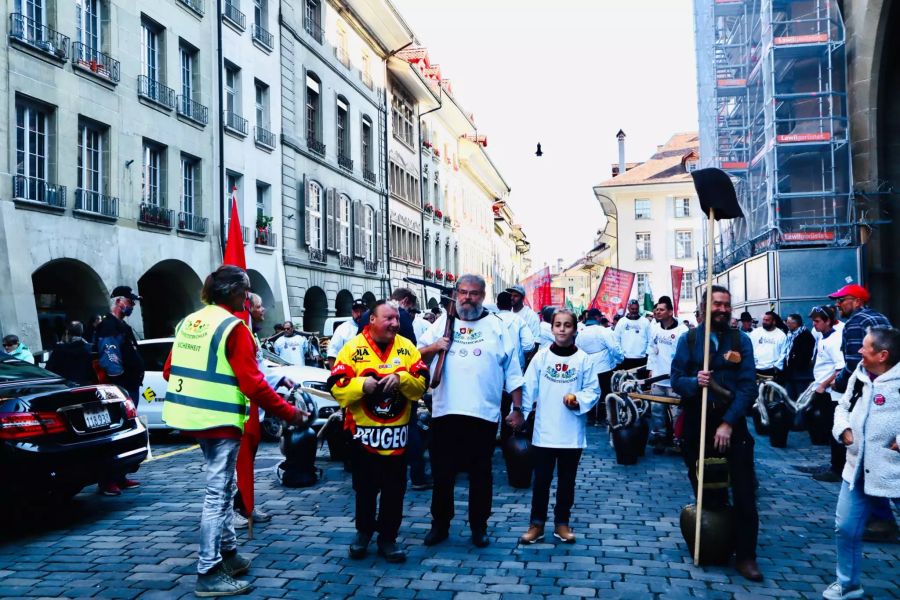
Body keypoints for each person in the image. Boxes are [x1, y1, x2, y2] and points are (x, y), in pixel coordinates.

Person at [162, 266, 306, 597]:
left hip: (192, 417)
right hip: (221, 420)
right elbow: (253, 384)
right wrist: (289, 413)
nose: (248, 296)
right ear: (235, 294)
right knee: (218, 494)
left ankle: (229, 554)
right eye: (246, 290)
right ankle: (208, 571)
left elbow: (171, 369)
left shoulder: (190, 322)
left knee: (224, 489)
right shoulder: (234, 328)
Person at [419, 274, 524, 548]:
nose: (467, 298)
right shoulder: (443, 323)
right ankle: (440, 524)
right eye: (463, 292)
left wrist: (517, 408)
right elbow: (416, 357)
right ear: (456, 294)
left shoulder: (497, 327)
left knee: (481, 474)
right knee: (443, 473)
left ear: (483, 296)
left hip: (483, 414)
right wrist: (434, 346)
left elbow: (512, 371)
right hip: (445, 411)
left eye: (474, 293)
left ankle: (479, 526)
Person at [670, 285, 763, 582]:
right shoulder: (689, 340)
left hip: (731, 423)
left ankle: (746, 556)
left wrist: (728, 423)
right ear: (705, 307)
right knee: (707, 488)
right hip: (698, 421)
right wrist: (693, 381)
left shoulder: (741, 340)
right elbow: (676, 380)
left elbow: (749, 386)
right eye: (717, 304)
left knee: (745, 491)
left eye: (726, 304)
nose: (722, 309)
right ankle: (716, 541)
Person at [327, 301, 429, 562]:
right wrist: (362, 385)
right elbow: (336, 387)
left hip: (397, 439)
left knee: (395, 491)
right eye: (389, 318)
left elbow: (422, 385)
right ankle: (363, 533)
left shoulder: (407, 348)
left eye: (397, 319)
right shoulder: (352, 349)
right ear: (371, 319)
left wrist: (402, 378)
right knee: (364, 488)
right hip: (363, 439)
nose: (395, 324)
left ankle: (388, 539)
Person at [823, 327, 900, 600]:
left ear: (882, 355)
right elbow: (842, 406)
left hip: (894, 469)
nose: (859, 351)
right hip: (856, 469)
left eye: (864, 347)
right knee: (845, 527)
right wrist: (843, 429)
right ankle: (848, 585)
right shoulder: (859, 374)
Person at [519, 309, 600, 544]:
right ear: (552, 328)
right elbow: (528, 388)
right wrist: (520, 414)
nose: (562, 329)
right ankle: (536, 524)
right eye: (558, 325)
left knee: (567, 481)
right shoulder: (542, 357)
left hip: (571, 432)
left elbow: (593, 390)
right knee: (541, 481)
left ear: (575, 329)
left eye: (567, 325)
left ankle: (562, 523)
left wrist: (578, 399)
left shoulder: (583, 359)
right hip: (545, 431)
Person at [827, 283, 896, 542]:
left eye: (841, 300)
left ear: (856, 301)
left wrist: (841, 381)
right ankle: (880, 519)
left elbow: (857, 364)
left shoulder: (856, 323)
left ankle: (882, 521)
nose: (838, 305)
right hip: (887, 393)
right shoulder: (880, 317)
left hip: (869, 395)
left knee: (868, 459)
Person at [233, 293, 296, 529]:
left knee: (246, 465)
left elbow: (258, 372)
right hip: (236, 412)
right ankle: (233, 509)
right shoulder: (239, 333)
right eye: (259, 307)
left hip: (252, 411)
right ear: (247, 307)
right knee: (235, 467)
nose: (263, 311)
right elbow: (249, 377)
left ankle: (245, 505)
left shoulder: (252, 335)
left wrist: (280, 379)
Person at [95, 286, 146, 496]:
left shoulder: (120, 325)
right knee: (116, 433)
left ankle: (120, 475)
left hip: (130, 384)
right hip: (121, 387)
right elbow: (110, 357)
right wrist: (119, 384)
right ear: (119, 302)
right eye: (130, 302)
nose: (132, 306)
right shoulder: (109, 325)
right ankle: (108, 479)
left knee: (126, 433)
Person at [804, 305, 846, 483]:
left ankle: (838, 468)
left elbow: (840, 368)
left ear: (828, 321)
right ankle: (835, 464)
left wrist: (823, 384)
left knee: (835, 429)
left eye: (817, 321)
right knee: (828, 428)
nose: (814, 324)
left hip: (831, 393)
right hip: (823, 389)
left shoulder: (835, 340)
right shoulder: (823, 335)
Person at [647, 296, 689, 451]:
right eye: (656, 309)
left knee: (677, 411)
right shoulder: (654, 327)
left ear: (670, 312)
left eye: (661, 309)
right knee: (657, 410)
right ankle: (660, 437)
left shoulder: (682, 331)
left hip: (675, 380)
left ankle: (678, 438)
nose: (657, 312)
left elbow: (685, 355)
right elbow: (652, 349)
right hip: (658, 378)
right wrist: (651, 369)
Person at [576, 308, 623, 423]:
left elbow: (577, 350)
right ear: (597, 318)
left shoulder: (581, 333)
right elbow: (614, 348)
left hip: (588, 368)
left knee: (590, 392)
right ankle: (604, 418)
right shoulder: (604, 331)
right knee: (606, 393)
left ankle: (591, 417)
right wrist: (620, 359)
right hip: (604, 368)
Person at [326, 299, 368, 370]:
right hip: (348, 373)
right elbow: (332, 354)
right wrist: (334, 377)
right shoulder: (343, 329)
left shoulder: (372, 327)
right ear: (352, 312)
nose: (359, 314)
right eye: (356, 311)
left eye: (362, 311)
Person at [782, 313, 815, 400]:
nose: (787, 324)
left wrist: (794, 360)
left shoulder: (806, 336)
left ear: (795, 324)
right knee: (789, 400)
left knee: (800, 401)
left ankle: (800, 414)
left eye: (788, 322)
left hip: (801, 376)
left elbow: (805, 356)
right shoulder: (790, 335)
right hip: (790, 374)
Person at [615, 298, 650, 371]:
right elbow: (616, 340)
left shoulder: (645, 322)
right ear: (628, 308)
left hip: (641, 359)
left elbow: (650, 340)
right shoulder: (622, 322)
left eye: (636, 309)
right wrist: (621, 355)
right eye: (632, 309)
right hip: (626, 359)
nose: (634, 311)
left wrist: (647, 354)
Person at [748, 311, 786, 377]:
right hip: (756, 369)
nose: (764, 322)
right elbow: (749, 348)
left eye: (767, 320)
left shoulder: (781, 335)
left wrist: (776, 367)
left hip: (772, 370)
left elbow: (783, 353)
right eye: (763, 320)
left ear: (774, 321)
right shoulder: (755, 332)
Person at [506, 284, 541, 349]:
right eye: (511, 295)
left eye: (515, 296)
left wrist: (528, 358)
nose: (512, 298)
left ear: (522, 298)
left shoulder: (531, 315)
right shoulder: (507, 313)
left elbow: (536, 342)